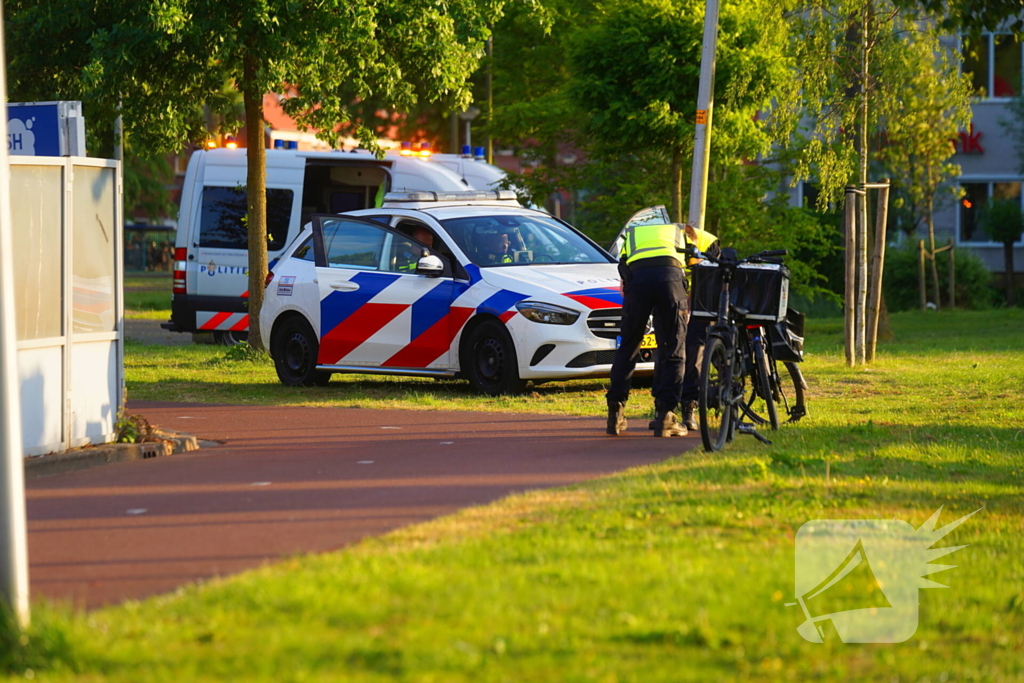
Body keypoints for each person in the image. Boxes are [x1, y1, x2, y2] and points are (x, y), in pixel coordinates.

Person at [606, 220, 715, 437]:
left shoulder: (634, 233)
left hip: (637, 280)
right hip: (670, 279)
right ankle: (667, 417)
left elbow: (623, 264)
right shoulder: (686, 231)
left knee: (628, 346)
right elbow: (713, 254)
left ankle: (615, 416)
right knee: (675, 349)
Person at [647, 227, 719, 432]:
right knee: (666, 351)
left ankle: (689, 407)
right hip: (671, 297)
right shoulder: (663, 242)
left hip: (698, 303)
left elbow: (707, 280)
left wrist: (690, 304)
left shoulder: (707, 243)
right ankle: (663, 409)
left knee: (693, 352)